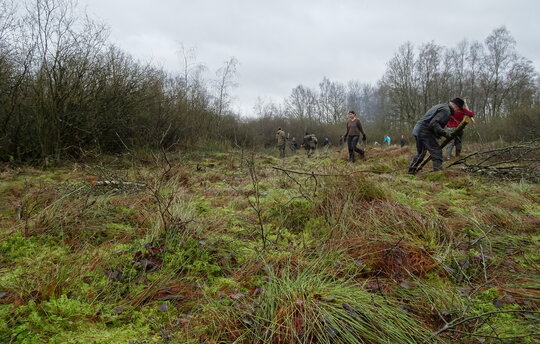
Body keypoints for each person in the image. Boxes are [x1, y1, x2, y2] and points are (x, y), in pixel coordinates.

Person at [408, 98, 465, 174]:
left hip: (419, 129)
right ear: (456, 106)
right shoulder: (446, 110)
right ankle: (438, 174)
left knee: (420, 153)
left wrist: (439, 134)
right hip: (424, 131)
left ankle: (411, 172)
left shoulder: (441, 106)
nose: (457, 111)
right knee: (436, 152)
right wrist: (445, 134)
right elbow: (434, 123)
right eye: (458, 109)